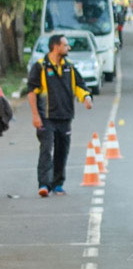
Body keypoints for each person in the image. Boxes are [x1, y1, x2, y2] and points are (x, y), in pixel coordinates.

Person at [27, 34, 94, 196]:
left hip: (65, 116)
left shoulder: (69, 67)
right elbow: (31, 93)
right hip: (46, 117)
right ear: (55, 47)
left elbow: (80, 85)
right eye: (65, 45)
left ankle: (57, 184)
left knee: (62, 151)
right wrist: (35, 115)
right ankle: (44, 184)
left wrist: (86, 97)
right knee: (46, 150)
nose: (68, 48)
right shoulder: (40, 66)